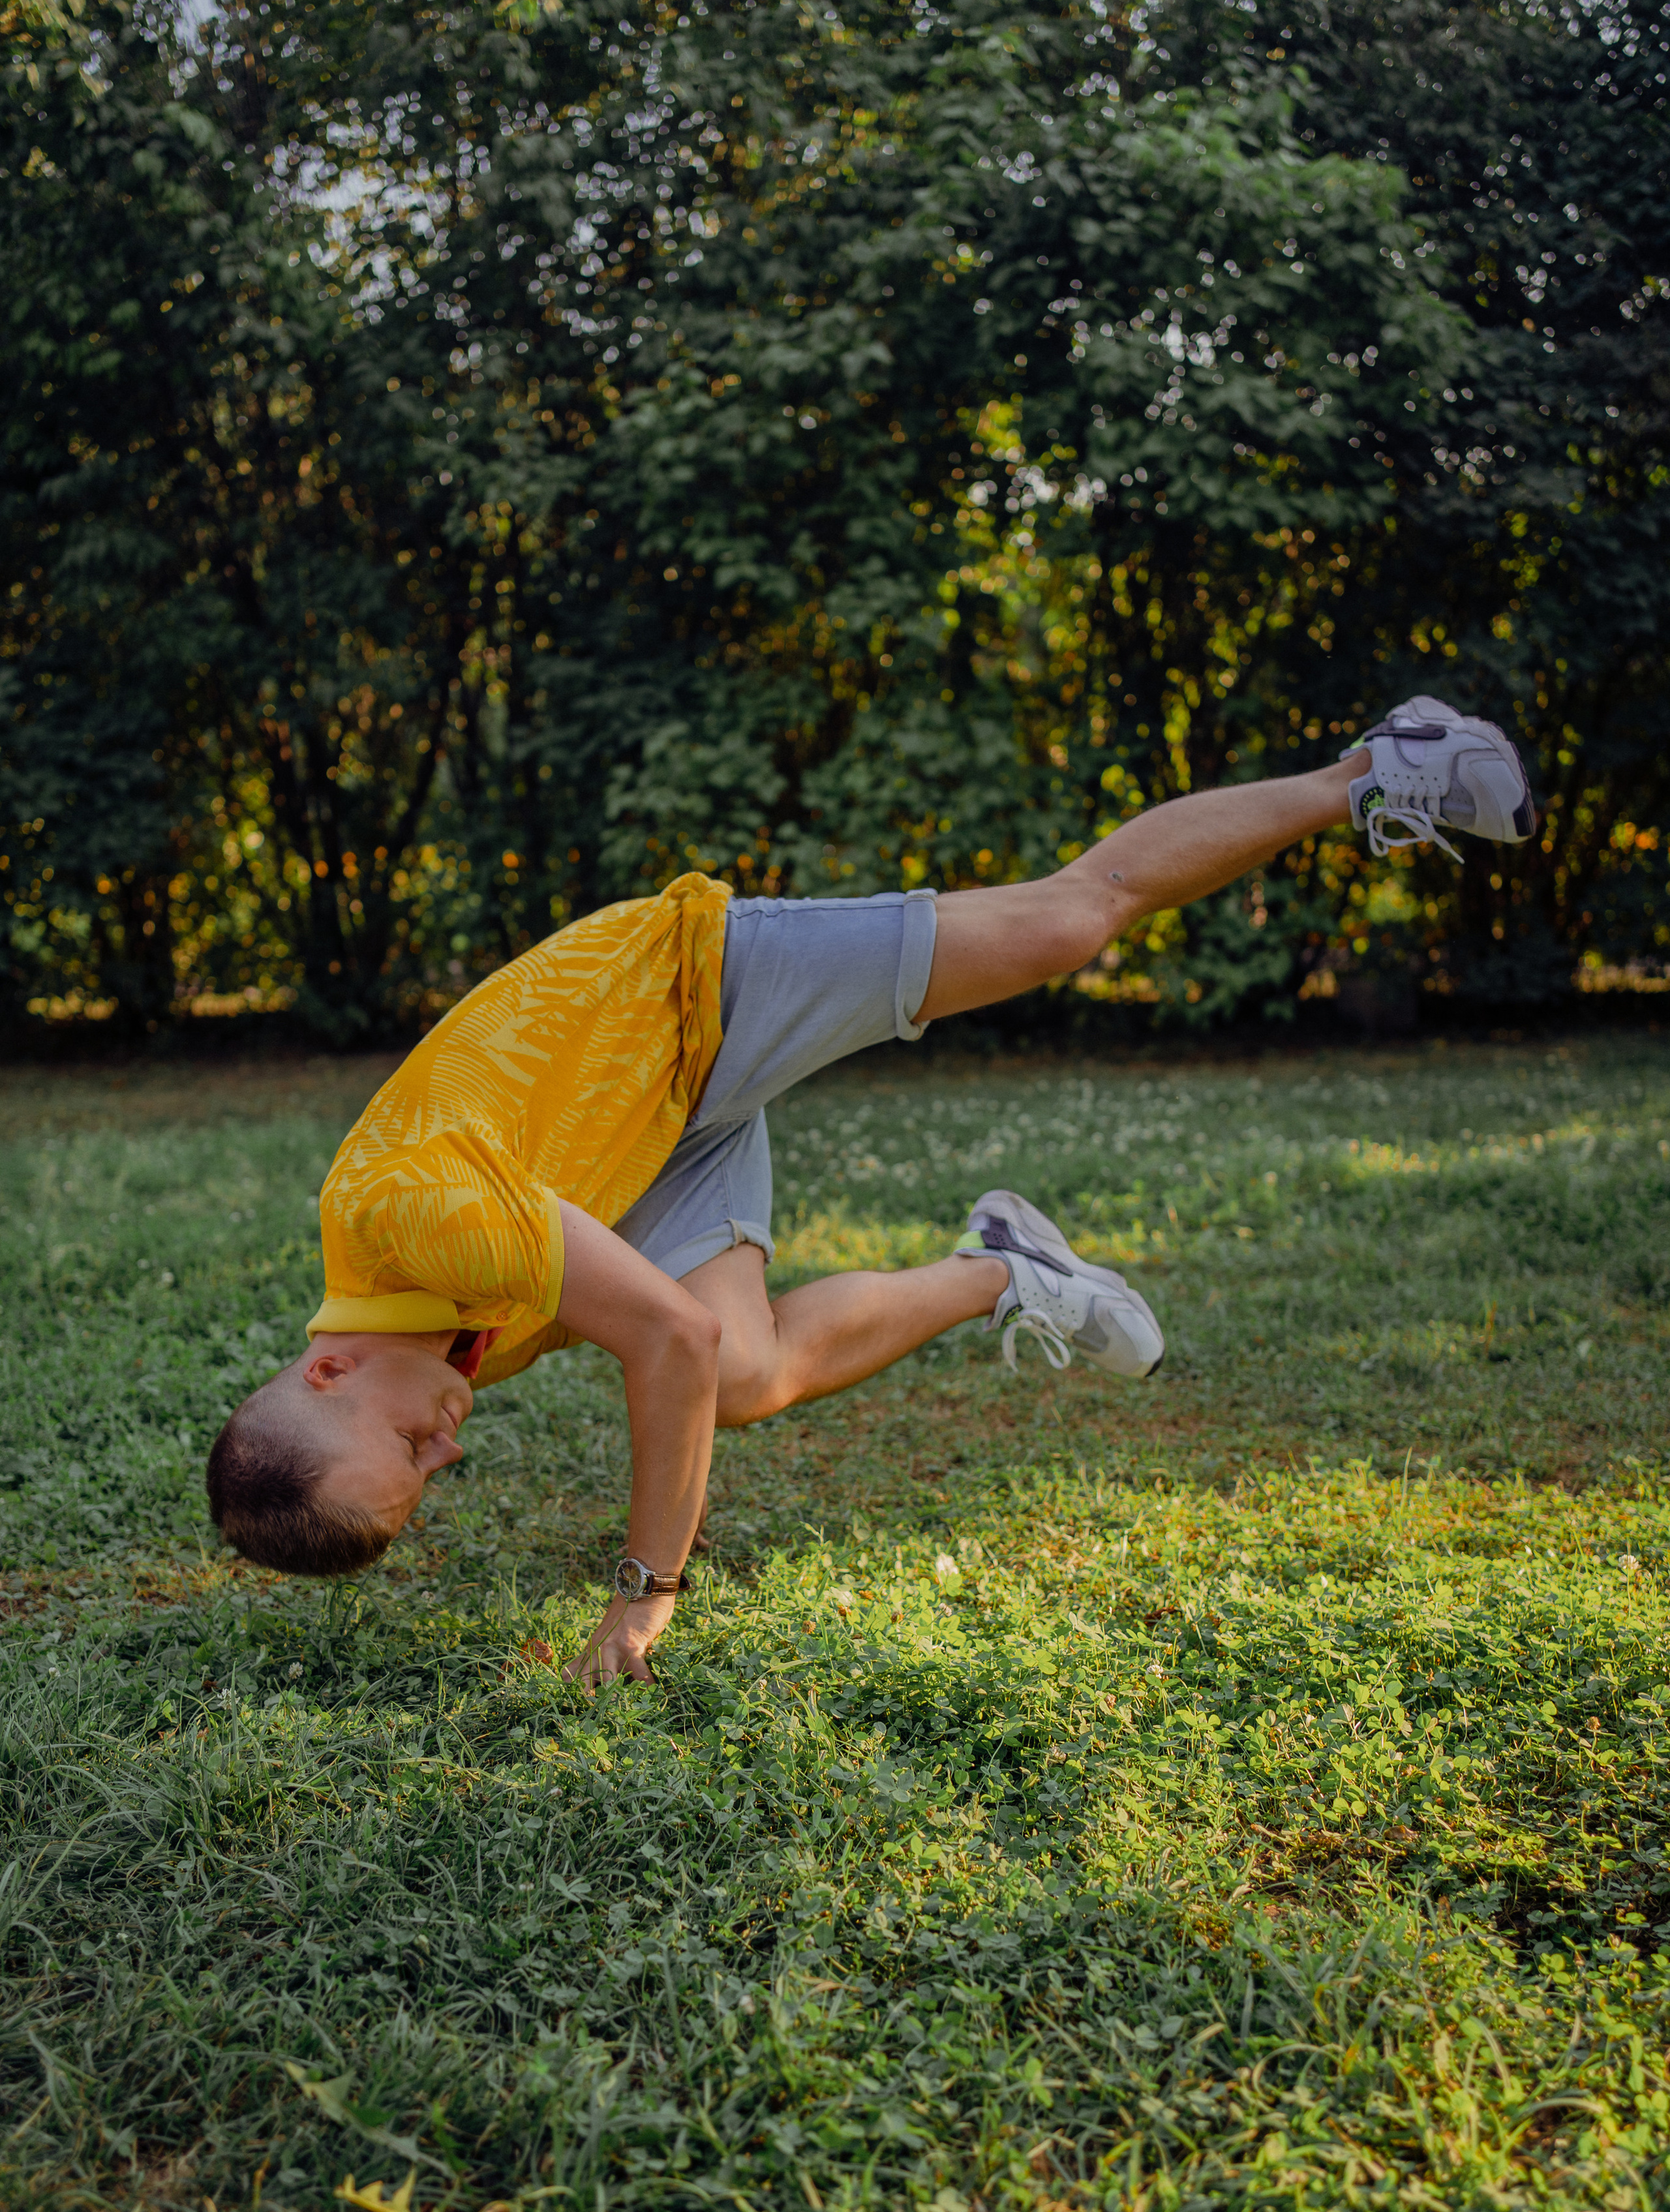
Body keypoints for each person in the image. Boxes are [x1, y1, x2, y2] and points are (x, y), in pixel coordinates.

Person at [206, 696, 1535, 1684]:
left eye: (408, 1450)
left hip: (681, 996)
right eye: (426, 1480)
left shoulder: (404, 1220)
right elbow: (682, 1357)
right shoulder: (439, 1357)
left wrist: (645, 1590)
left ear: (327, 1379)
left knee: (1066, 923)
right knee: (745, 1378)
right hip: (643, 1142)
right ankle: (1011, 1267)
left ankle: (1376, 763)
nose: (448, 1450)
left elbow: (655, 1335)